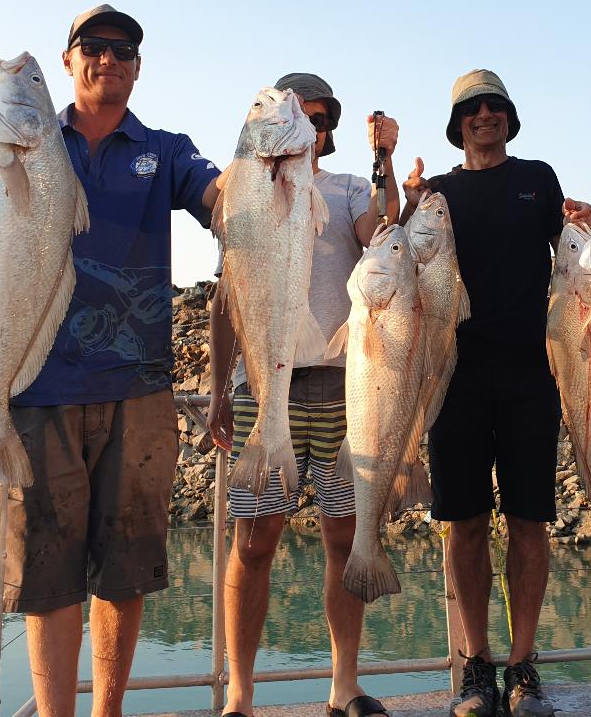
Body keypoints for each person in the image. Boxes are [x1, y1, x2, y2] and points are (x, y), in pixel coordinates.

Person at [0, 4, 224, 717]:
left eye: (124, 50)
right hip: (38, 387)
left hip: (140, 391)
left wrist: (256, 184)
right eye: (93, 48)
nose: (109, 59)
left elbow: (214, 194)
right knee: (49, 577)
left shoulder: (164, 149)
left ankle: (106, 712)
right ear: (69, 63)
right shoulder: (35, 140)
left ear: (139, 68)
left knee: (125, 574)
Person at [400, 69, 591, 717]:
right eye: (472, 109)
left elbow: (573, 264)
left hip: (530, 377)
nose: (484, 115)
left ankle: (523, 664)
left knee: (529, 522)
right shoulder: (439, 193)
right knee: (465, 525)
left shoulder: (538, 179)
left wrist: (588, 230)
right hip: (454, 378)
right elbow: (405, 264)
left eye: (495, 106)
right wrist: (397, 189)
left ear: (508, 117)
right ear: (458, 124)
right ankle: (476, 664)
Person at [210, 73, 400, 717]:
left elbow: (384, 229)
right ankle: (239, 692)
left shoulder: (347, 189)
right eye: (299, 115)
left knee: (344, 534)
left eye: (319, 120)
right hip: (263, 386)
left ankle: (344, 684)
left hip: (343, 385)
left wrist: (384, 161)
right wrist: (216, 388)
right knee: (253, 539)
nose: (310, 128)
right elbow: (224, 293)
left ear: (327, 133)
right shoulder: (241, 189)